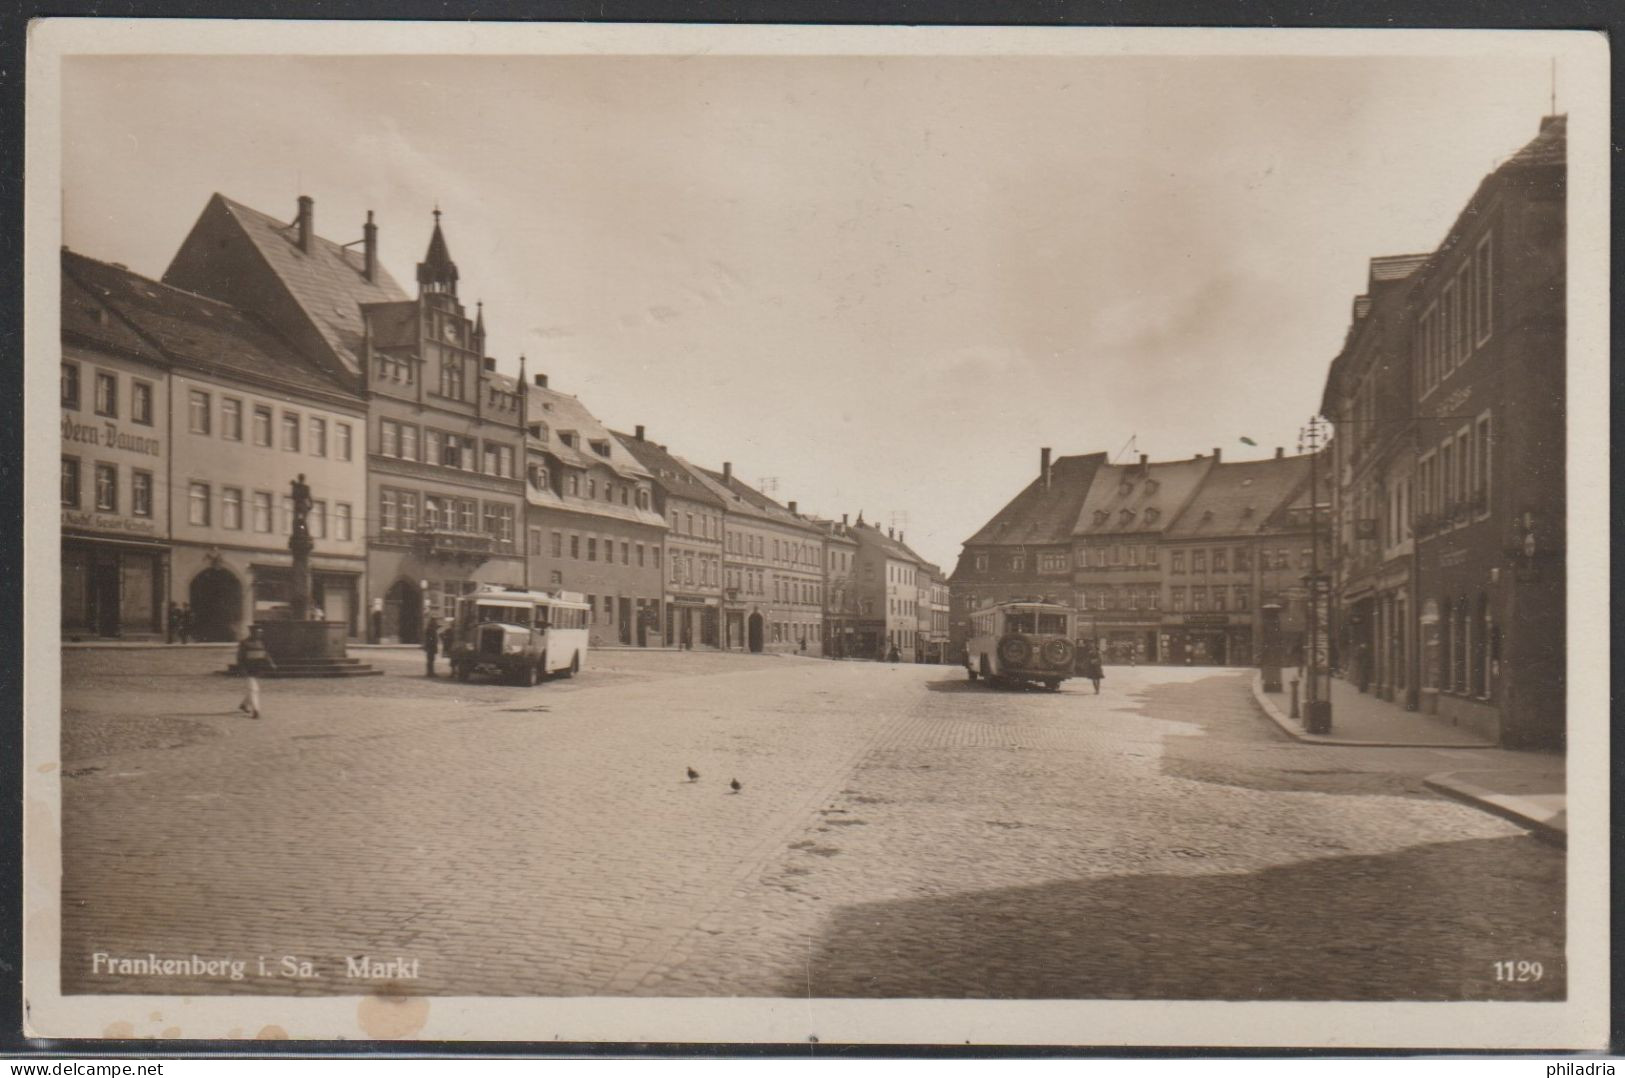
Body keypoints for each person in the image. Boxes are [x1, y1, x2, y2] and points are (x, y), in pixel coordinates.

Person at [235, 625, 276, 719]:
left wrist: (271, 663)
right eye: (257, 632)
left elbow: (265, 654)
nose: (259, 634)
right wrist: (242, 670)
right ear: (252, 632)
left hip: (257, 669)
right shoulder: (245, 643)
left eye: (260, 632)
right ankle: (256, 711)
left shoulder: (261, 642)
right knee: (254, 690)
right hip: (248, 670)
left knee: (252, 689)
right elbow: (240, 658)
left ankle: (244, 705)